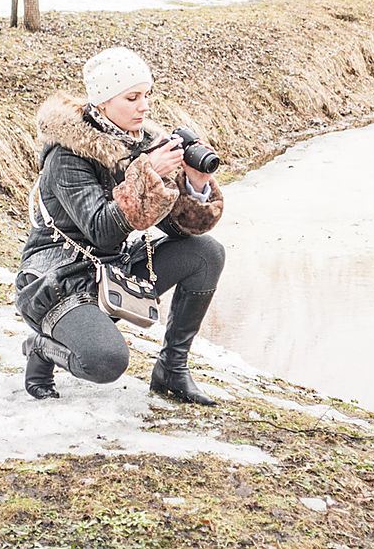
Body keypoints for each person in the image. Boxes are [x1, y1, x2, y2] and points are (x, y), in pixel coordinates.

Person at [15, 47, 225, 406]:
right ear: (102, 102)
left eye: (147, 95)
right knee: (105, 363)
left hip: (113, 265)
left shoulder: (141, 145)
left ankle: (171, 370)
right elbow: (100, 228)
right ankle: (41, 348)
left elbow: (178, 230)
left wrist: (195, 184)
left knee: (206, 254)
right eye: (132, 97)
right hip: (59, 276)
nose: (144, 106)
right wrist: (147, 174)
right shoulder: (67, 155)